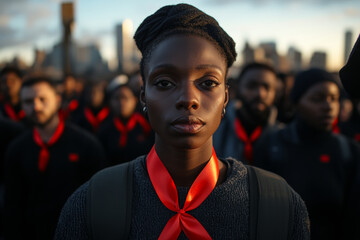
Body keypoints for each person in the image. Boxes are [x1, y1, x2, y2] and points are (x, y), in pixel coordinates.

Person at [55, 4, 310, 239]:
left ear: (226, 97)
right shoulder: (91, 205)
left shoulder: (279, 206)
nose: (188, 99)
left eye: (208, 83)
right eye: (165, 83)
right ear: (143, 95)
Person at [255, 68, 360, 240]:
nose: (328, 106)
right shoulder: (271, 146)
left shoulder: (348, 151)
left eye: (333, 99)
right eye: (316, 99)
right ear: (296, 102)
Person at [3, 75, 106, 240]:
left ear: (57, 101)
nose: (36, 106)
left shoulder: (86, 145)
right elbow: (13, 205)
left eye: (42, 99)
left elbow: (99, 201)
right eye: (28, 101)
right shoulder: (17, 149)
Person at [213, 62, 281, 164]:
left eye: (266, 87)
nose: (260, 94)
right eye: (251, 86)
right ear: (238, 87)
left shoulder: (284, 136)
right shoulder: (215, 131)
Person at [97, 74, 154, 166]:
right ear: (110, 102)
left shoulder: (146, 125)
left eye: (125, 98)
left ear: (135, 101)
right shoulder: (104, 129)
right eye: (117, 98)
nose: (121, 103)